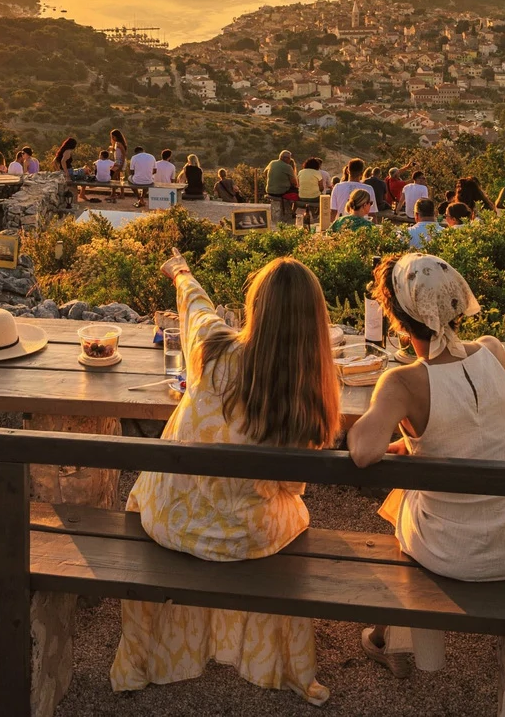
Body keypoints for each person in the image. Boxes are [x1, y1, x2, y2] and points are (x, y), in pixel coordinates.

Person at [113, 254, 340, 703]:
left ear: (256, 307)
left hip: (170, 525)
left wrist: (180, 270)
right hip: (245, 541)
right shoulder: (304, 396)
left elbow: (198, 309)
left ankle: (145, 658)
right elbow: (292, 488)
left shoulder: (213, 350)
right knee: (294, 511)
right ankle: (273, 659)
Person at [347, 252, 505, 686]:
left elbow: (364, 453)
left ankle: (394, 638)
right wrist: (416, 443)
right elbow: (468, 426)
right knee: (405, 500)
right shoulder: (494, 350)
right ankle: (389, 636)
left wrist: (384, 421)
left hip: (450, 552)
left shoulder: (403, 382)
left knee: (401, 504)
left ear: (399, 322)